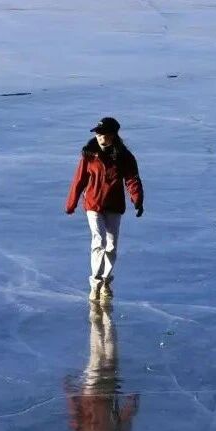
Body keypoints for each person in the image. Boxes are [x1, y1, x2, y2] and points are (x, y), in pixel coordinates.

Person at [65, 117, 144, 302]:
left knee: (111, 246)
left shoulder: (125, 157)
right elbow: (79, 180)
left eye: (103, 134)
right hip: (93, 205)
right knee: (98, 240)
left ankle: (106, 281)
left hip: (114, 205)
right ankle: (95, 283)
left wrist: (137, 200)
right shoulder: (89, 155)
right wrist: (71, 203)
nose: (100, 137)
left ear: (113, 135)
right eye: (98, 133)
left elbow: (132, 179)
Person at [65, 306, 140, 431]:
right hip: (109, 389)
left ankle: (97, 313)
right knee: (108, 351)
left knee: (98, 356)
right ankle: (104, 312)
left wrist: (70, 393)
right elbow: (126, 417)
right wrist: (132, 402)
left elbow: (75, 416)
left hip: (93, 390)